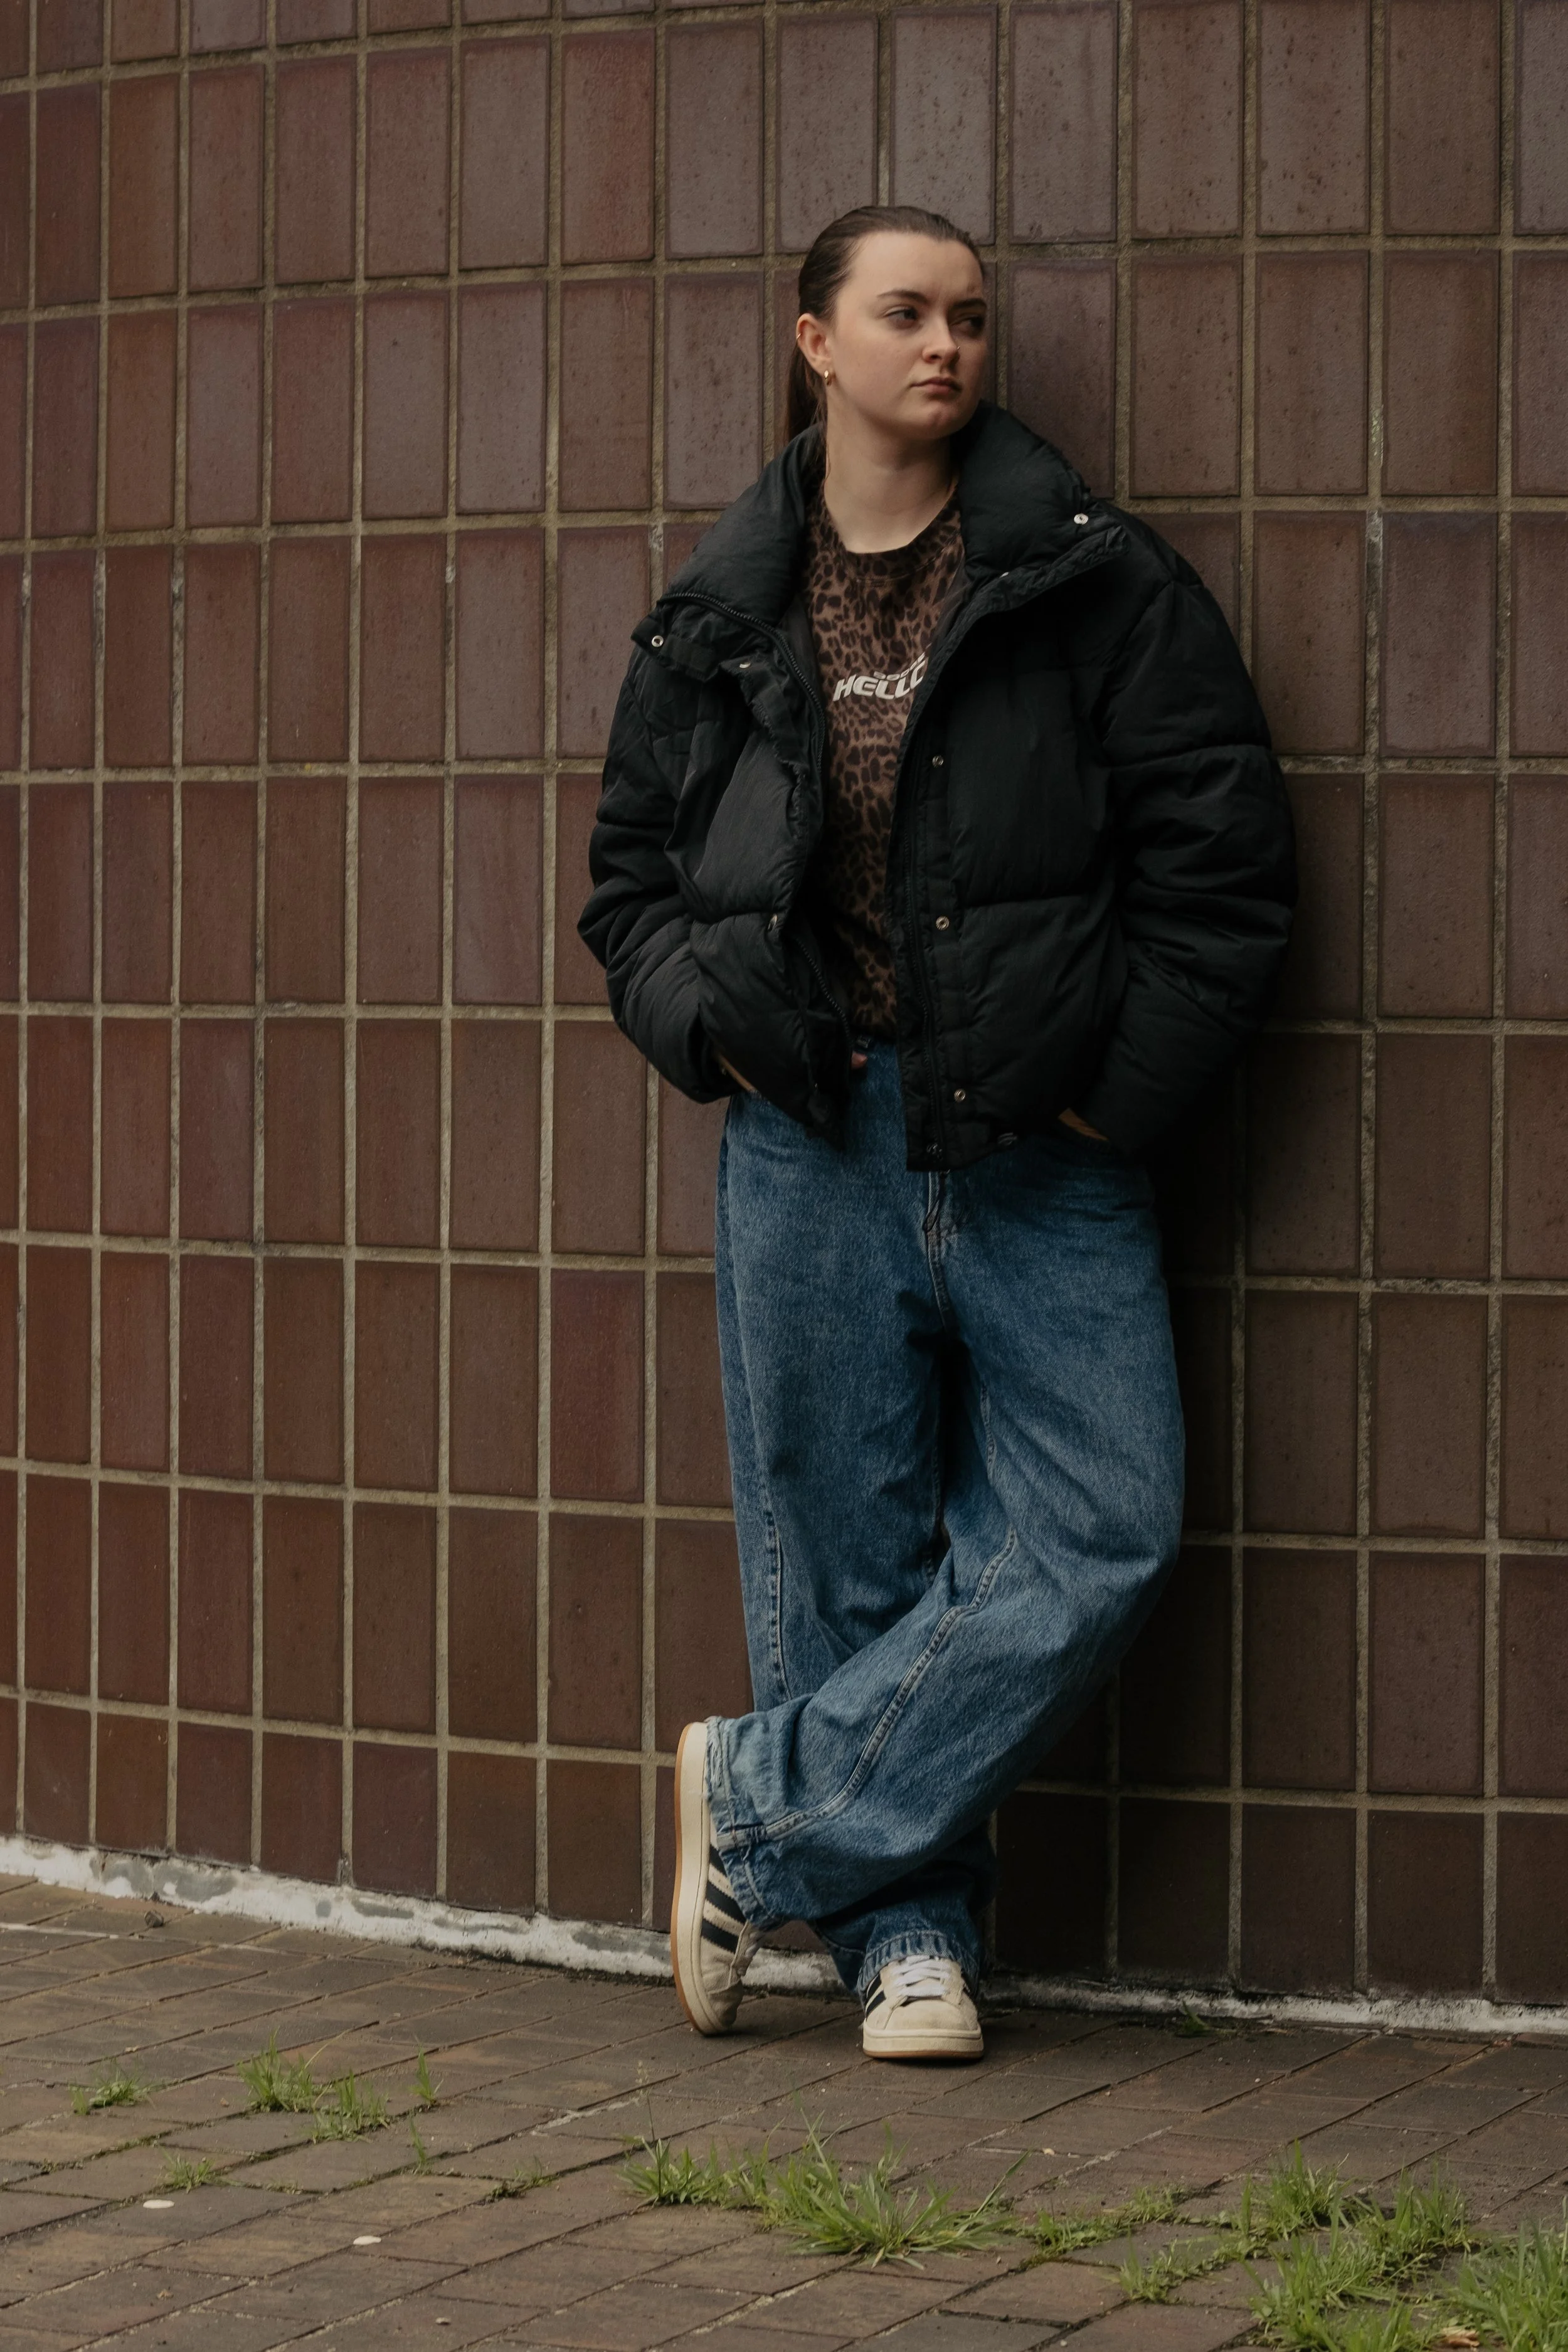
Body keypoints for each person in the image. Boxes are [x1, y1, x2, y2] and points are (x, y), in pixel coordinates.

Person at [580, 204, 1294, 2062]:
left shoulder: (1088, 578)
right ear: (814, 342)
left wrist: (1106, 1092)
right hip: (811, 1133)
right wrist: (708, 1038)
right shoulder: (722, 606)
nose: (947, 345)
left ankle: (756, 1802)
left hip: (1038, 1139)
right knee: (842, 1546)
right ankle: (906, 1940)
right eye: (904, 313)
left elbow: (1221, 870)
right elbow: (630, 887)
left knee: (1104, 1521)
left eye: (969, 317)